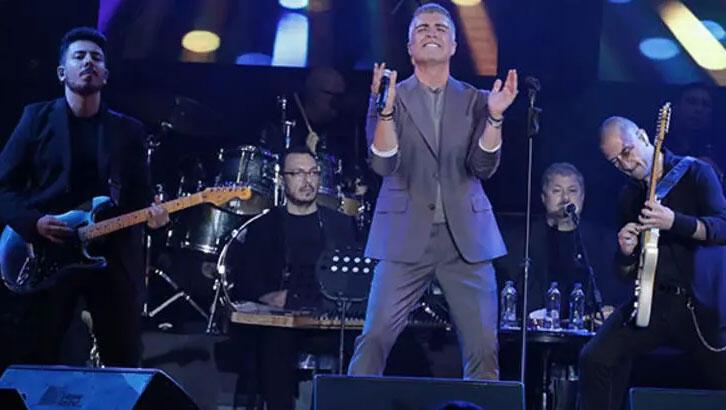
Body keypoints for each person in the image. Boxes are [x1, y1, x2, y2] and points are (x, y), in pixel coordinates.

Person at [347, 2, 518, 380]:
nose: (431, 33)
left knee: (483, 347)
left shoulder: (477, 99)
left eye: (441, 28)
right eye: (422, 28)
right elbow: (383, 164)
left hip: (466, 240)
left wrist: (494, 117)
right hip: (404, 236)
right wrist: (385, 111)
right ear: (410, 47)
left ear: (454, 46)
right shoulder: (389, 95)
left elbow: (483, 167)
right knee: (374, 338)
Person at [0, 27, 168, 367]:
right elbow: (3, 186)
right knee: (38, 357)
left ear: (106, 75)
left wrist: (156, 218)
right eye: (79, 56)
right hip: (47, 253)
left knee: (123, 360)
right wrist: (34, 223)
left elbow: (140, 198)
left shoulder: (128, 130)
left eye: (97, 57)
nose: (89, 62)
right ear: (62, 72)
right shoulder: (36, 118)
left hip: (110, 257)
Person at [577, 116, 726, 410]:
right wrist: (625, 252)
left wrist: (675, 222)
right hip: (653, 303)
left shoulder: (695, 172)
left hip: (700, 306)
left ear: (644, 137)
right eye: (615, 161)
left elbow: (722, 227)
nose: (625, 164)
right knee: (595, 358)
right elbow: (624, 274)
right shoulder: (629, 196)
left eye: (627, 151)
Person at [226, 146, 357, 410]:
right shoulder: (264, 226)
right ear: (281, 179)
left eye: (313, 173)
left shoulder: (340, 225)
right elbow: (245, 280)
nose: (307, 181)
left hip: (330, 318)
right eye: (297, 173)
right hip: (283, 323)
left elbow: (353, 277)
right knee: (274, 342)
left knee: (368, 341)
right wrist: (268, 295)